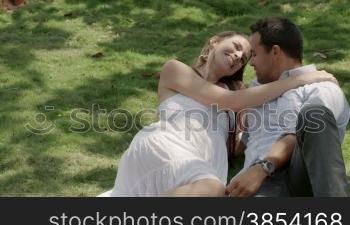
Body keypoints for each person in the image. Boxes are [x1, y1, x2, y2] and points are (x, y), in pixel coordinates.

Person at [102, 31, 336, 197]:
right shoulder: (176, 70)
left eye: (244, 57)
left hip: (203, 164)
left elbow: (244, 142)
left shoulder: (239, 97)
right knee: (211, 190)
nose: (238, 56)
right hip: (167, 145)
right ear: (214, 42)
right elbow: (230, 101)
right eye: (235, 47)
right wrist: (301, 79)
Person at [226, 17, 350, 197]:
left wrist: (263, 167)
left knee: (313, 115)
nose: (250, 63)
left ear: (275, 52)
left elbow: (307, 133)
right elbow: (244, 142)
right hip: (259, 184)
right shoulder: (257, 92)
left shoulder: (322, 86)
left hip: (301, 177)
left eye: (254, 54)